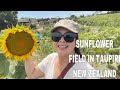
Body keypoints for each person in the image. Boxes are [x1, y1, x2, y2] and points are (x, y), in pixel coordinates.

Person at [25, 19, 99, 79]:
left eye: (68, 36)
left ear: (76, 41)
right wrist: (25, 50)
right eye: (56, 36)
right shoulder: (50, 59)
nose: (62, 40)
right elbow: (32, 75)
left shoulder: (88, 73)